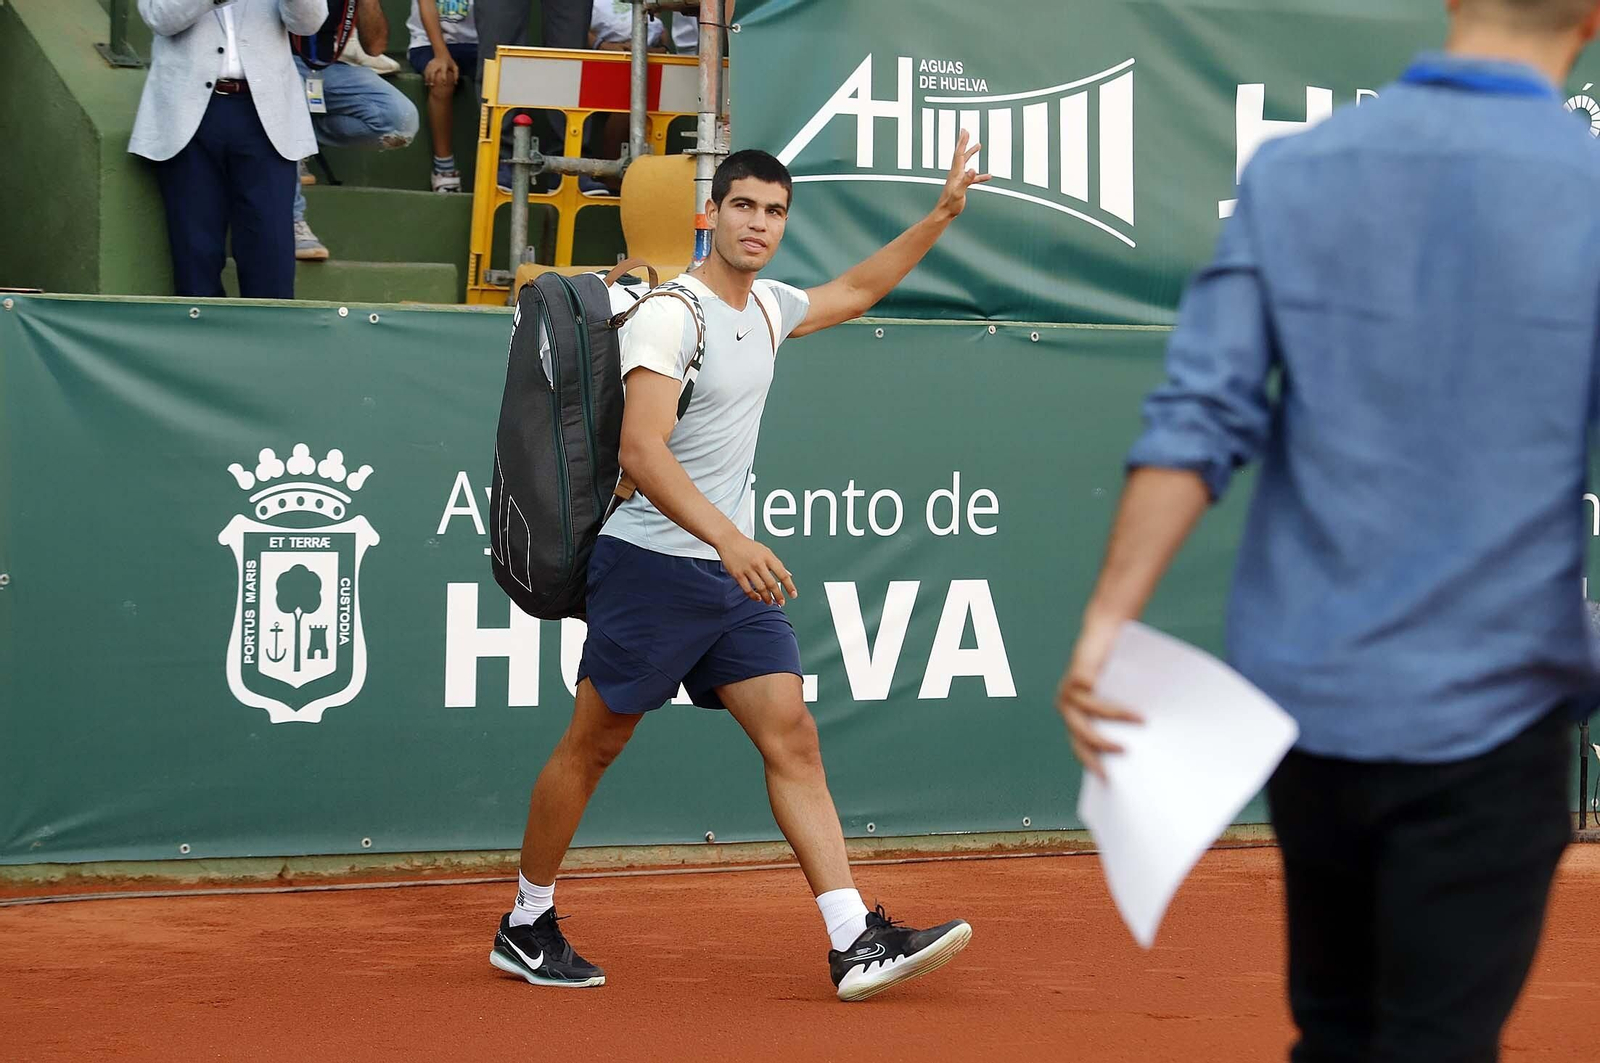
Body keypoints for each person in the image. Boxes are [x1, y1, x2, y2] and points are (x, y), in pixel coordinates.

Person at [1055, 0, 1600, 1058]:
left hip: (1310, 713)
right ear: (1586, 15)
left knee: (1337, 1035)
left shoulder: (1294, 171)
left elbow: (1197, 416)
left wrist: (1104, 625)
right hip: (1496, 714)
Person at [490, 141, 991, 1002]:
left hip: (725, 580)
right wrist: (730, 539)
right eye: (744, 206)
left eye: (774, 211)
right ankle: (525, 921)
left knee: (792, 733)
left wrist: (939, 218)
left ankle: (851, 938)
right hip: (651, 566)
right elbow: (641, 449)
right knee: (594, 745)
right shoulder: (669, 317)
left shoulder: (766, 308)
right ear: (710, 214)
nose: (759, 223)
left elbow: (858, 289)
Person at [130, 0, 329, 298]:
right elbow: (159, 16)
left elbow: (310, 22)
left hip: (266, 113)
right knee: (196, 251)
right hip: (188, 113)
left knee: (270, 250)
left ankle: (270, 340)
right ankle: (202, 341)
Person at [290, 0, 420, 259]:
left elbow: (375, 46)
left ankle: (304, 134)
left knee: (401, 121)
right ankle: (292, 221)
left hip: (329, 68)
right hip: (280, 65)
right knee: (283, 100)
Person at [408, 0, 478, 193]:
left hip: (477, 44)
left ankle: (501, 164)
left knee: (501, 77)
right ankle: (444, 168)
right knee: (441, 77)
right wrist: (441, 55)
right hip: (429, 43)